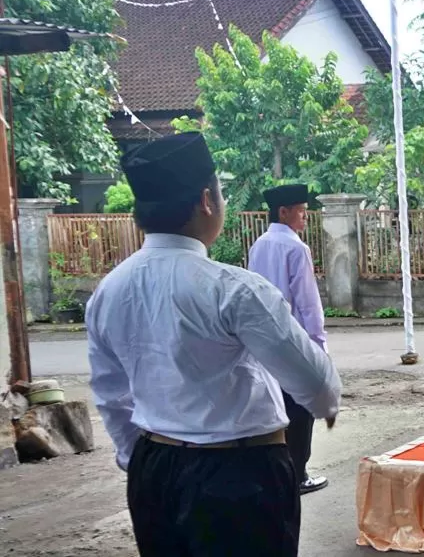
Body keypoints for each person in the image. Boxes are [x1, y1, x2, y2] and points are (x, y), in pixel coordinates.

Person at [86, 133, 342, 556]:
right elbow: (318, 386)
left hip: (153, 470)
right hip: (239, 473)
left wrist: (145, 461)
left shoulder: (108, 291)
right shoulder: (233, 290)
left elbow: (112, 395)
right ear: (207, 201)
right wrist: (325, 406)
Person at [248, 184, 330, 495]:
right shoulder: (296, 248)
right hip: (294, 343)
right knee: (300, 412)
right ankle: (298, 474)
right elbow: (308, 304)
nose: (305, 218)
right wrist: (319, 347)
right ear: (284, 212)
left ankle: (276, 472)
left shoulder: (259, 245)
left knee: (274, 409)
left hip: (265, 342)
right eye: (302, 212)